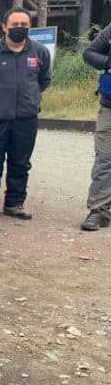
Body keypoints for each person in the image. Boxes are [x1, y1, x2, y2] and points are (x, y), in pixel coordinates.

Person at [0, 6, 51, 220]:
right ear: (5, 27)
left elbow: (44, 80)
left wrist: (30, 98)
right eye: (15, 24)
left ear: (30, 26)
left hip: (26, 118)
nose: (19, 27)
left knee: (21, 163)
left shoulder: (39, 52)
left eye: (24, 24)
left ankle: (15, 203)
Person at [80, 23, 111, 230]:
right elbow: (89, 54)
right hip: (110, 107)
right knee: (105, 159)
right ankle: (99, 210)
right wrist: (108, 61)